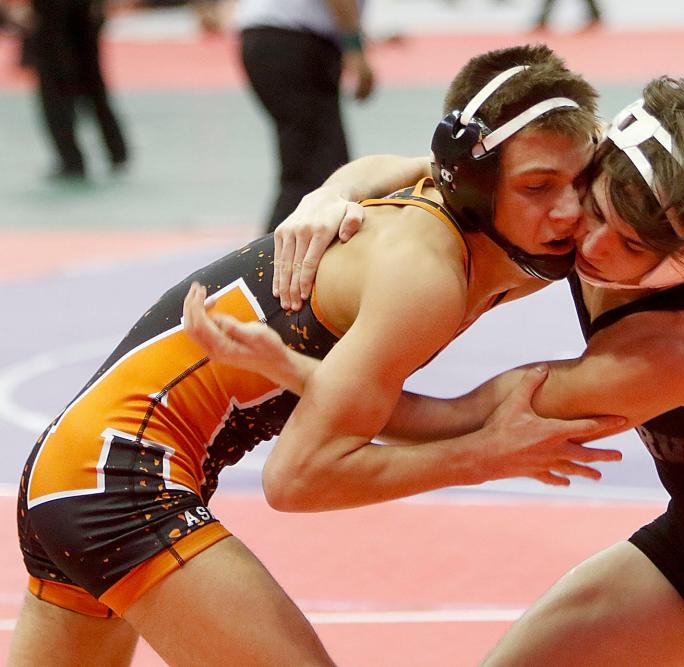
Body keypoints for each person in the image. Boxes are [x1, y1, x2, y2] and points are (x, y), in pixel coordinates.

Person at [231, 77, 684, 663]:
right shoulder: (618, 176)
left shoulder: (679, 352)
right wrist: (329, 192)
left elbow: (464, 418)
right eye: (595, 209)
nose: (589, 245)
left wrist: (291, 370)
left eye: (629, 244)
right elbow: (422, 170)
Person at [10, 45, 624, 666]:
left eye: (579, 182)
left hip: (77, 469)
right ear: (469, 184)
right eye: (538, 187)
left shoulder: (494, 221)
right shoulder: (424, 273)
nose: (569, 211)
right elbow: (299, 478)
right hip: (118, 479)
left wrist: (334, 187)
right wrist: (482, 456)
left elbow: (362, 394)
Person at [236, 0, 376, 233]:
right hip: (291, 41)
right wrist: (354, 47)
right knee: (317, 171)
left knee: (316, 164)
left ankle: (274, 256)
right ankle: (270, 261)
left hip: (276, 39)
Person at [30, 0, 128, 179]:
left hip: (55, 22)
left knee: (56, 93)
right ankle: (117, 151)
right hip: (83, 16)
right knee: (93, 86)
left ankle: (72, 159)